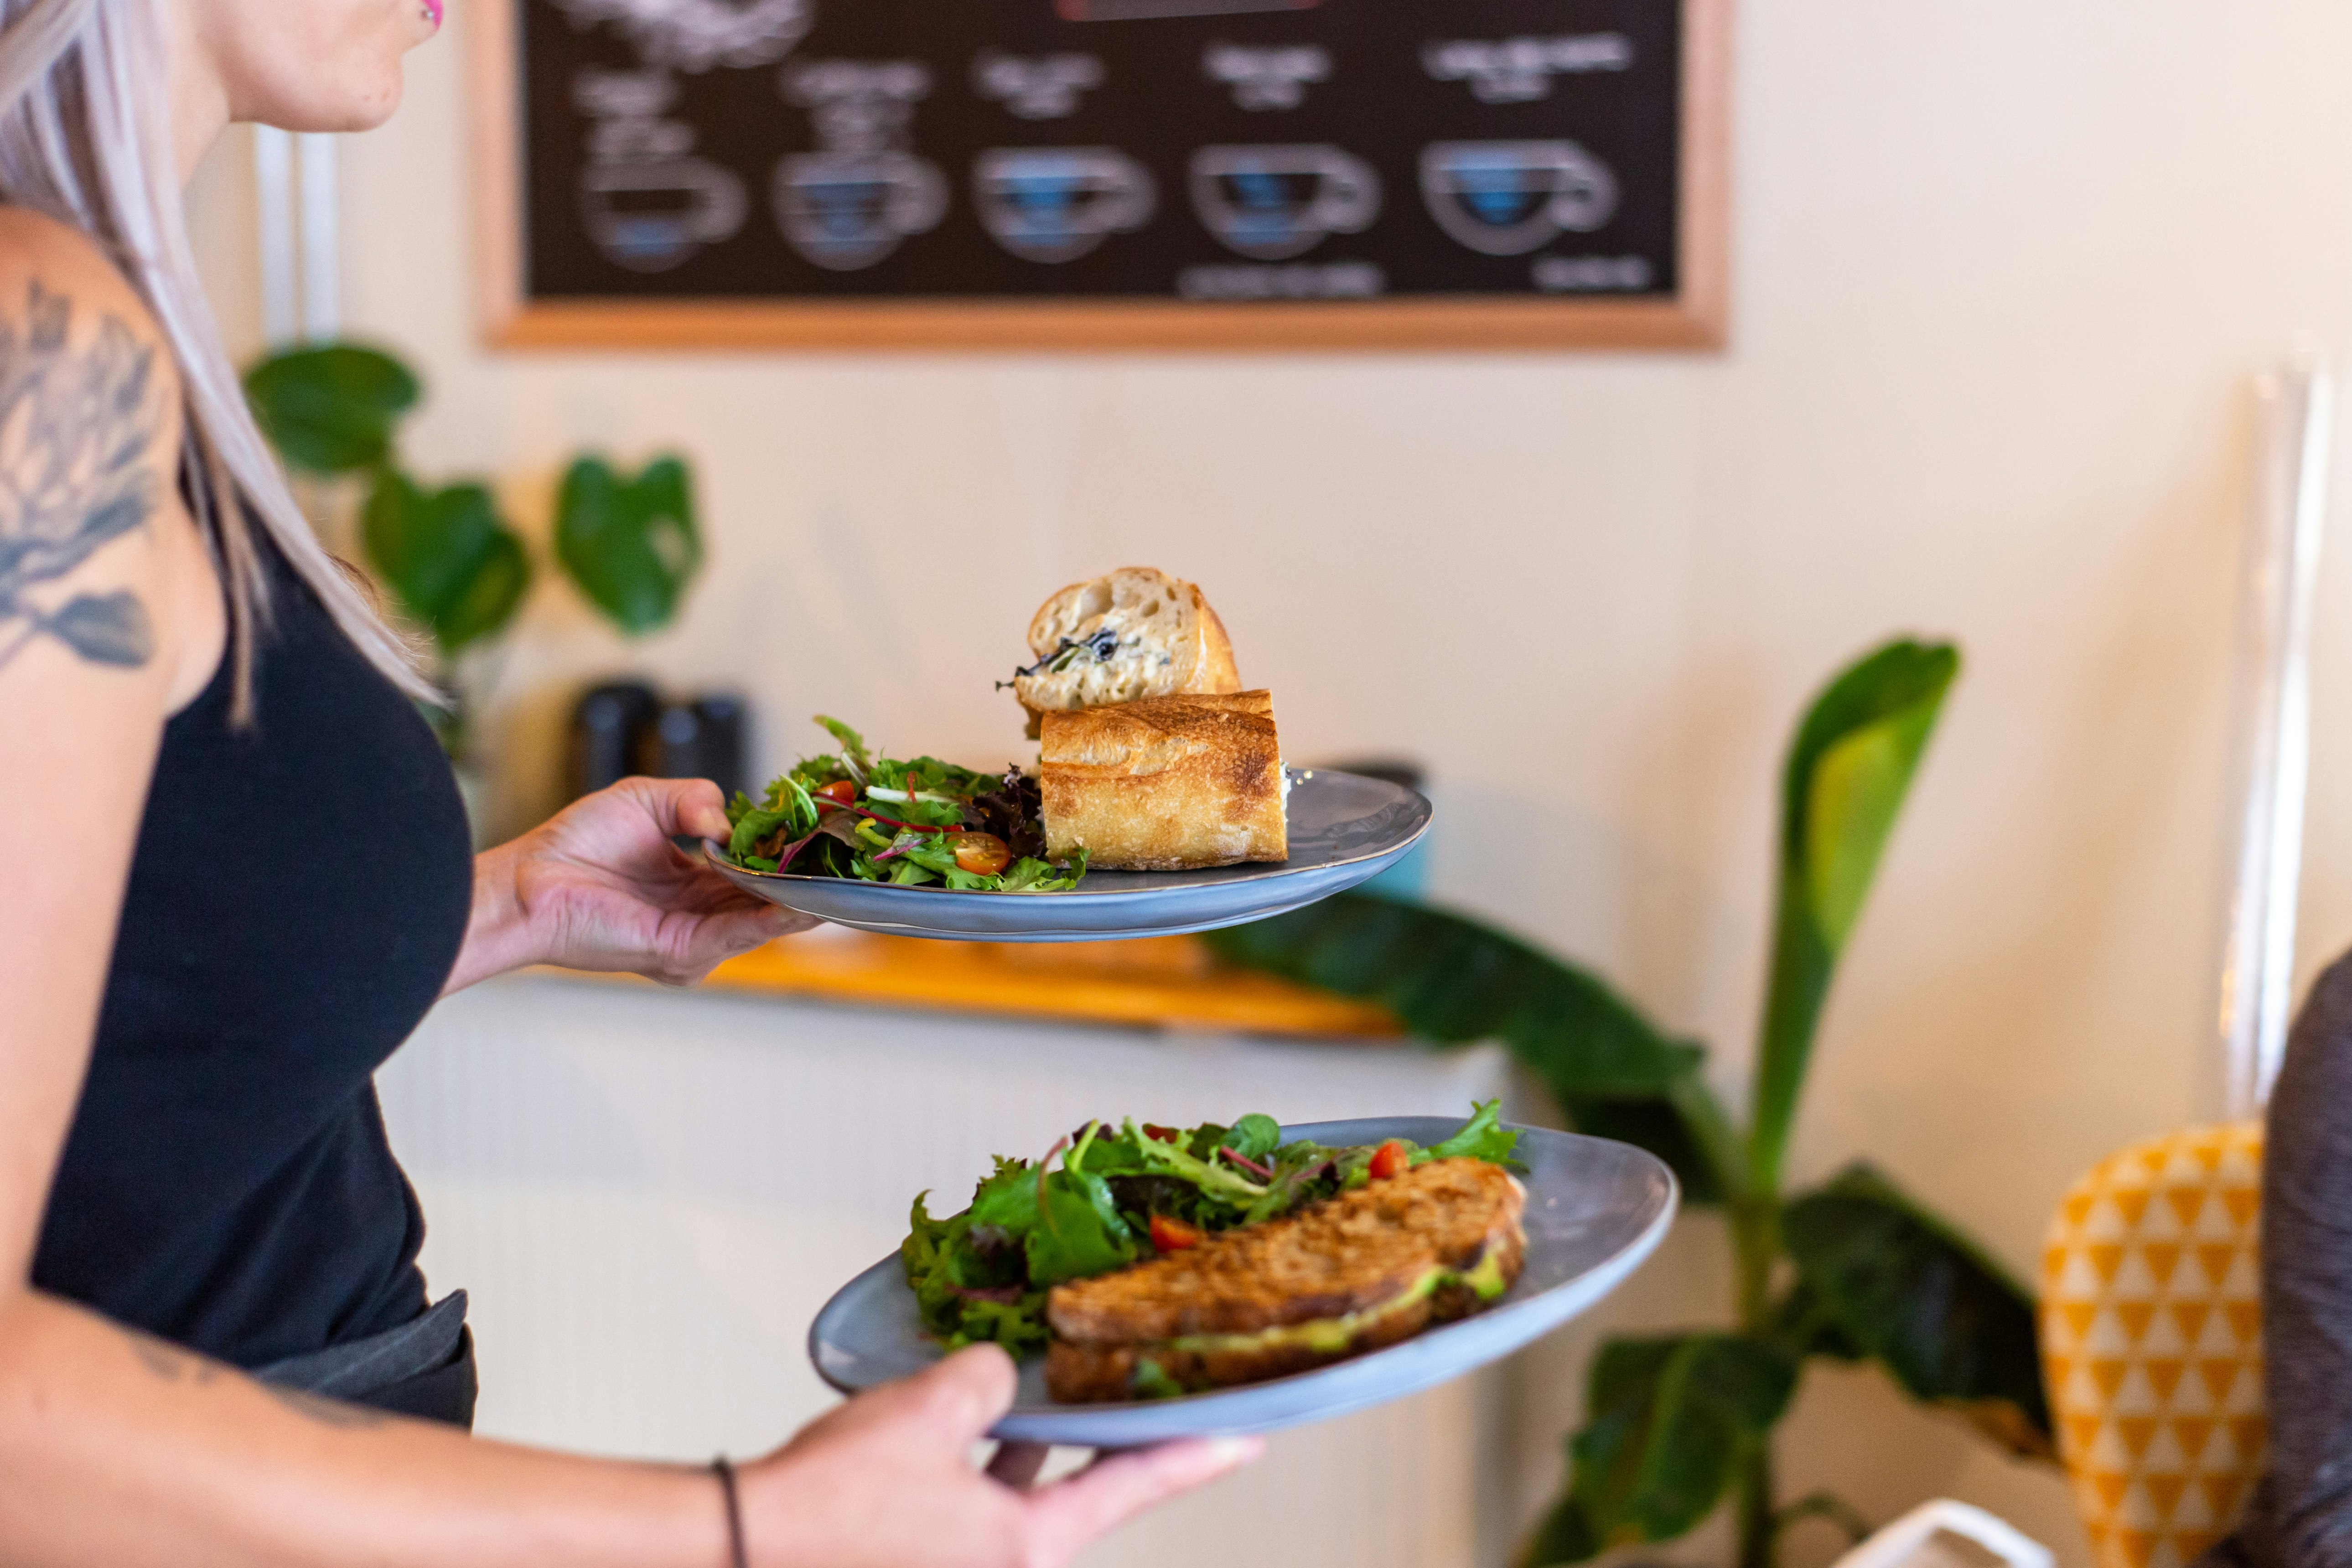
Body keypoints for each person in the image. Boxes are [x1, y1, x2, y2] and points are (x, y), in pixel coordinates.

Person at [0, 0, 1258, 1561]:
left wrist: (500, 913)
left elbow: (119, 1038)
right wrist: (751, 1532)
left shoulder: (87, 321)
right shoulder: (36, 351)